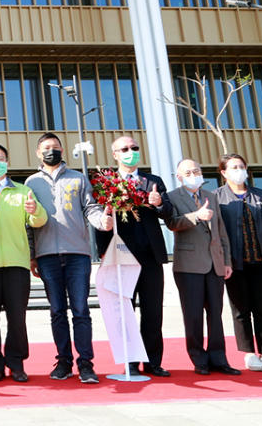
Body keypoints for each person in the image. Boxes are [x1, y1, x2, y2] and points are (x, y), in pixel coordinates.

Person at [26, 133, 112, 384]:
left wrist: (102, 222)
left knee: (81, 310)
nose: (50, 151)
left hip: (78, 254)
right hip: (47, 256)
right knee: (56, 311)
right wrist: (32, 256)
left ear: (62, 150)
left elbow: (91, 208)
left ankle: (86, 363)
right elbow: (28, 224)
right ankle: (63, 361)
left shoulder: (78, 178)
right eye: (45, 148)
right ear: (38, 153)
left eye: (54, 147)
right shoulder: (31, 183)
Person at [94, 135, 173, 377]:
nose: (131, 151)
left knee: (152, 311)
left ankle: (152, 362)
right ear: (115, 154)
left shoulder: (153, 181)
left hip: (150, 256)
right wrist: (103, 251)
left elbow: (168, 213)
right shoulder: (106, 182)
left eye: (134, 147)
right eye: (125, 149)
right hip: (121, 257)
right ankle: (129, 361)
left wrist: (159, 203)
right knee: (124, 311)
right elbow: (101, 219)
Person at [0, 143, 47, 383]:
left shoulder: (22, 191)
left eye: (1, 158)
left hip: (17, 264)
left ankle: (16, 363)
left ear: (7, 162)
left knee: (17, 317)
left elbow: (39, 220)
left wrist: (34, 210)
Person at [165, 158, 239, 375]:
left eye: (196, 170)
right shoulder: (172, 197)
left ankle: (219, 358)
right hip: (188, 265)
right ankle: (199, 359)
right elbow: (172, 224)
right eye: (187, 172)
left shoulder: (211, 196)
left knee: (216, 314)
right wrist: (195, 216)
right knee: (193, 315)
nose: (193, 174)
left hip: (215, 263)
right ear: (179, 177)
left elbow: (220, 230)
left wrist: (226, 261)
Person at [214, 153, 262, 372]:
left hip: (261, 262)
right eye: (233, 167)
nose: (239, 170)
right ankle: (248, 353)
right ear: (224, 172)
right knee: (240, 309)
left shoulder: (260, 195)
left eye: (241, 166)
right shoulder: (217, 197)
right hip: (234, 264)